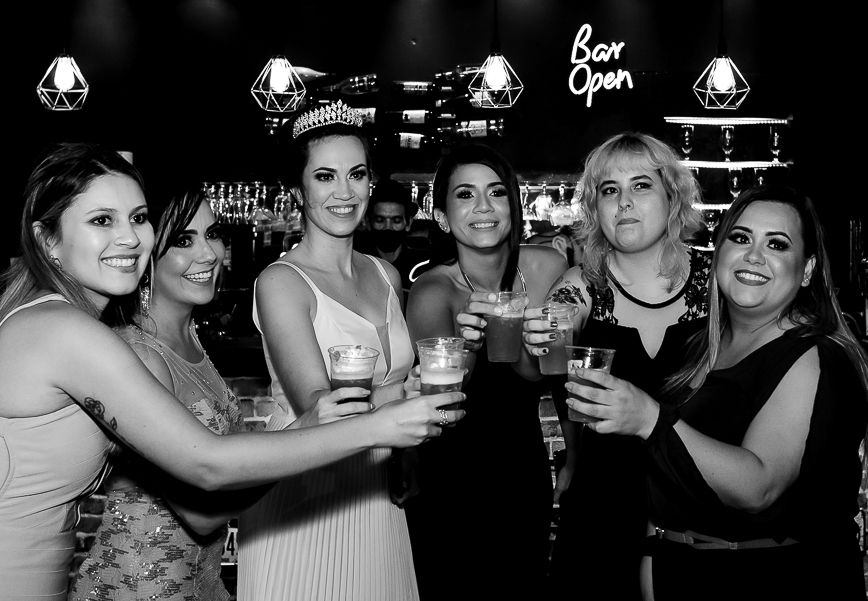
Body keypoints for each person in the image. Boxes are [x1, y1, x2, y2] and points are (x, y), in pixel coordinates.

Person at [0, 142, 463, 601]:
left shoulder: (66, 324)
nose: (129, 237)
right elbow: (206, 467)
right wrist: (374, 426)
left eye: (138, 218)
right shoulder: (64, 331)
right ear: (47, 240)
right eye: (102, 220)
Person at [564, 184, 868, 599]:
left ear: (808, 269)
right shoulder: (703, 347)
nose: (754, 255)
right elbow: (672, 482)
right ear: (719, 253)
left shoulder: (815, 354)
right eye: (740, 238)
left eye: (776, 244)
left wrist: (649, 418)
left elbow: (758, 487)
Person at [237, 101, 451, 601]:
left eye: (356, 174)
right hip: (307, 495)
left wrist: (409, 440)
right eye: (325, 176)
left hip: (377, 490)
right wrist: (403, 407)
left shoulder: (386, 274)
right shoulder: (281, 282)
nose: (345, 191)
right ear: (299, 191)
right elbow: (321, 406)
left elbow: (394, 382)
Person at [524, 132, 708, 600]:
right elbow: (556, 325)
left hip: (698, 503)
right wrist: (543, 334)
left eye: (641, 185)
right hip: (603, 506)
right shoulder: (583, 285)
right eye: (610, 190)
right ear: (595, 208)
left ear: (673, 197)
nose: (623, 202)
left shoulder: (716, 286)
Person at [404, 143, 569, 601]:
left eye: (496, 193)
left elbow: (557, 377)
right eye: (465, 195)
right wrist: (470, 341)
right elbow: (439, 405)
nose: (483, 207)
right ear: (441, 217)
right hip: (451, 479)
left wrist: (573, 458)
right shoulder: (433, 291)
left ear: (513, 206)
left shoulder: (548, 268)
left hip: (523, 470)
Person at [70, 185, 252, 599]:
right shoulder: (139, 353)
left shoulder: (190, 339)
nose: (208, 254)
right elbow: (201, 513)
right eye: (184, 240)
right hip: (140, 586)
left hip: (201, 584)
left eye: (213, 234)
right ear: (147, 254)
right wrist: (304, 446)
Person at [359, 177, 431, 299]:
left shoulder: (423, 266)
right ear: (368, 222)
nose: (388, 227)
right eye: (380, 220)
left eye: (396, 221)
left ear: (408, 223)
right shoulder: (356, 264)